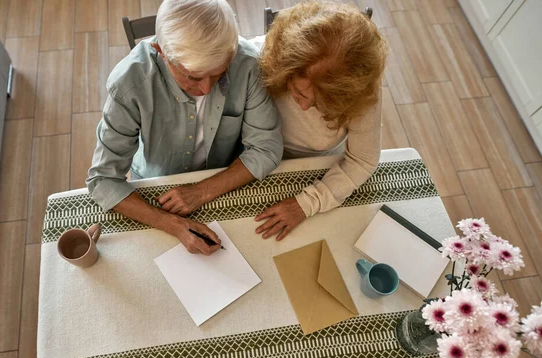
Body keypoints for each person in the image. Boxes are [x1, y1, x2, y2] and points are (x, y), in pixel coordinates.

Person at [87, 0, 282, 255]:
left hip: (224, 178)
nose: (206, 89)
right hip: (156, 188)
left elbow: (266, 149)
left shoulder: (247, 64)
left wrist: (201, 191)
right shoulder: (129, 84)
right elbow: (103, 180)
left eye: (219, 74)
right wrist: (174, 225)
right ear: (161, 52)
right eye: (193, 77)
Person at [252, 1, 387, 241]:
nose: (303, 107)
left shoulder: (361, 90)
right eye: (298, 93)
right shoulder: (260, 58)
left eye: (319, 105)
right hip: (253, 154)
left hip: (316, 166)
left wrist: (305, 204)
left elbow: (363, 160)